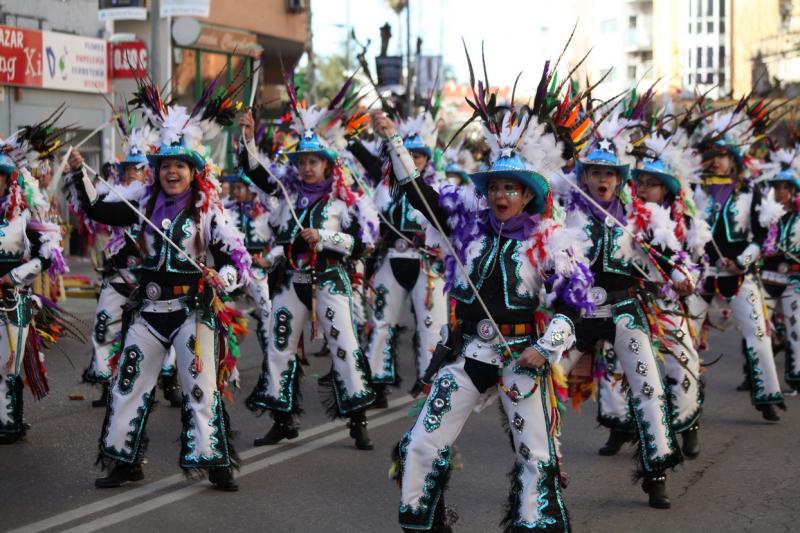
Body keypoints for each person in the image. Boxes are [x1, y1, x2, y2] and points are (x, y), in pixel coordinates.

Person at [374, 75, 594, 531]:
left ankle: (536, 525)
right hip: (470, 352)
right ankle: (425, 522)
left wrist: (547, 348)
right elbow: (422, 196)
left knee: (535, 453)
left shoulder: (551, 239)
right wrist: (393, 141)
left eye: (511, 188)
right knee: (422, 440)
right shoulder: (468, 230)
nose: (500, 196)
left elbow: (575, 303)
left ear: (528, 194)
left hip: (523, 357)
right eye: (494, 187)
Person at [70, 78, 251, 491]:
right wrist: (79, 171)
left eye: (180, 166)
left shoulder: (209, 213)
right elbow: (99, 209)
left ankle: (216, 461)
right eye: (165, 165)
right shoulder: (141, 206)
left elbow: (235, 263)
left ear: (193, 172)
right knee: (128, 382)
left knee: (200, 388)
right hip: (149, 312)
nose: (172, 171)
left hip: (193, 311)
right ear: (157, 171)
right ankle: (124, 461)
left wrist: (219, 277)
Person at [239, 92, 380, 450]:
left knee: (345, 347)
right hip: (292, 281)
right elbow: (257, 173)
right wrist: (248, 139)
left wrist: (326, 236)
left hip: (331, 280)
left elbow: (362, 243)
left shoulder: (343, 201)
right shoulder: (286, 193)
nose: (306, 168)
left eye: (313, 162)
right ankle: (282, 419)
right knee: (279, 345)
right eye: (301, 162)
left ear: (328, 165)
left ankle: (357, 420)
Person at [558, 113, 683, 509]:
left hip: (625, 309)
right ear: (585, 176)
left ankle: (657, 472)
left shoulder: (640, 216)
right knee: (541, 383)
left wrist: (679, 273)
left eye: (609, 173)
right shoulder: (564, 212)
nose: (602, 179)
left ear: (619, 179)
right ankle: (543, 469)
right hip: (577, 314)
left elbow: (668, 254)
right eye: (595, 171)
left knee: (648, 384)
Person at [689, 108, 785, 420]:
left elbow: (763, 235)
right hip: (702, 275)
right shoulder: (695, 193)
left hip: (741, 275)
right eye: (711, 154)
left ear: (734, 159)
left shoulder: (752, 192)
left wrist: (741, 261)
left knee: (758, 334)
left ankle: (767, 395)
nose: (716, 160)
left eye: (722, 154)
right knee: (684, 335)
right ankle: (685, 401)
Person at [347, 110, 449, 405]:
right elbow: (363, 156)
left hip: (427, 265)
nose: (414, 161)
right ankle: (377, 384)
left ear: (427, 160)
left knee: (432, 327)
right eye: (410, 155)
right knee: (381, 322)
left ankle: (430, 384)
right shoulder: (384, 184)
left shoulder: (438, 188)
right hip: (390, 260)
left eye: (419, 156)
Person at [0, 127, 67, 444]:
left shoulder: (23, 214)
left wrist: (13, 277)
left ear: (7, 180)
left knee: (7, 364)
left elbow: (48, 254)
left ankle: (9, 421)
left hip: (12, 299)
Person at [756, 143, 800, 394]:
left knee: (797, 330)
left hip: (794, 279)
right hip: (769, 278)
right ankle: (762, 384)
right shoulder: (767, 215)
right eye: (776, 187)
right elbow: (758, 241)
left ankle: (796, 381)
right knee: (759, 327)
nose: (780, 191)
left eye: (785, 187)